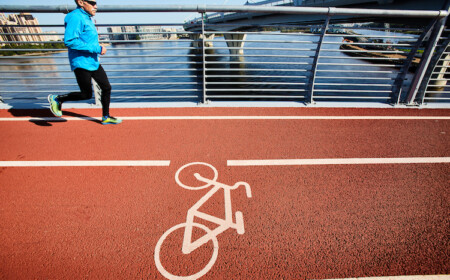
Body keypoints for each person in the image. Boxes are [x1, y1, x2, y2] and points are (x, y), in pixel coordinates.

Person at [48, 0, 121, 125]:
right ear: (81, 2)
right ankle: (57, 99)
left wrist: (96, 47)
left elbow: (86, 39)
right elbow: (70, 41)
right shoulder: (76, 17)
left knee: (106, 87)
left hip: (92, 61)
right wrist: (97, 49)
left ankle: (106, 117)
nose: (95, 6)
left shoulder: (86, 18)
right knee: (86, 94)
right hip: (81, 62)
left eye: (96, 3)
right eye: (92, 3)